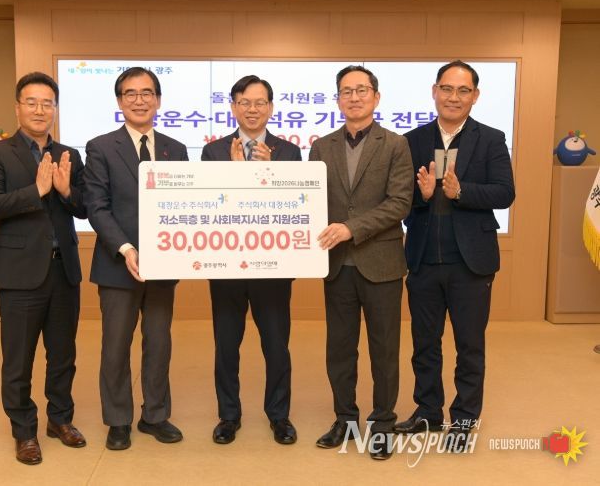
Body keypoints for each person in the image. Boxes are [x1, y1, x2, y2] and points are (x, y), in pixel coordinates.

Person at [394, 61, 515, 452]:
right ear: (434, 91)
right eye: (447, 88)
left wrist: (461, 192)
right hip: (424, 260)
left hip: (471, 263)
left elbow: (505, 193)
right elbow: (398, 200)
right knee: (424, 345)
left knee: (470, 347)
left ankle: (463, 419)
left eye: (463, 90)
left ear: (475, 96)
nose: (454, 97)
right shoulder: (412, 140)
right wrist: (423, 196)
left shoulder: (491, 139)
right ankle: (428, 411)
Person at [0, 72, 87, 465]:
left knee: (63, 355)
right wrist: (36, 192)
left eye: (47, 103)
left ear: (55, 109)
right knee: (18, 360)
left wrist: (66, 190)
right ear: (18, 107)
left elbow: (84, 208)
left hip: (63, 272)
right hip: (19, 273)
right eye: (32, 102)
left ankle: (60, 419)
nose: (40, 110)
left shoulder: (69, 154)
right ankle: (24, 432)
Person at [309, 66, 413, 460]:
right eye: (346, 91)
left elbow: (399, 203)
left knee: (384, 350)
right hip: (336, 265)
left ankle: (383, 424)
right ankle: (345, 420)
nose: (354, 97)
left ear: (376, 97)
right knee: (339, 349)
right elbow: (309, 202)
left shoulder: (396, 145)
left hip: (381, 263)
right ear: (337, 99)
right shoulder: (321, 146)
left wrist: (351, 228)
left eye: (361, 90)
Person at [84, 67, 188, 451]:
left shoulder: (176, 149)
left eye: (147, 93)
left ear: (158, 100)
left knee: (158, 344)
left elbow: (185, 206)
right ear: (119, 101)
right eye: (130, 93)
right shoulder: (100, 147)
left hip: (163, 266)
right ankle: (118, 420)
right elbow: (97, 207)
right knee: (115, 347)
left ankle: (155, 415)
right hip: (117, 265)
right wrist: (127, 248)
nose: (139, 100)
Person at [201, 75, 302, 445]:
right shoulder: (213, 152)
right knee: (226, 347)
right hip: (226, 267)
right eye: (244, 102)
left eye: (260, 102)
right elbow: (208, 208)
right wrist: (233, 175)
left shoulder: (288, 152)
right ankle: (228, 416)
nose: (252, 109)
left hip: (272, 267)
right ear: (233, 107)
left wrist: (269, 173)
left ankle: (279, 416)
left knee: (276, 346)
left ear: (271, 108)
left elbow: (295, 207)